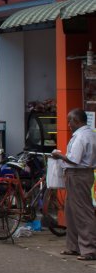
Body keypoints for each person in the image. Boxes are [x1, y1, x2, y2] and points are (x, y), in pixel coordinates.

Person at [50, 108, 96, 261]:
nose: (68, 124)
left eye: (69, 121)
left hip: (78, 175)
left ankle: (89, 248)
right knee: (71, 210)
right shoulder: (88, 134)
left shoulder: (81, 136)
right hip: (80, 174)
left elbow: (74, 159)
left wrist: (59, 155)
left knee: (82, 211)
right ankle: (73, 246)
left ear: (77, 121)